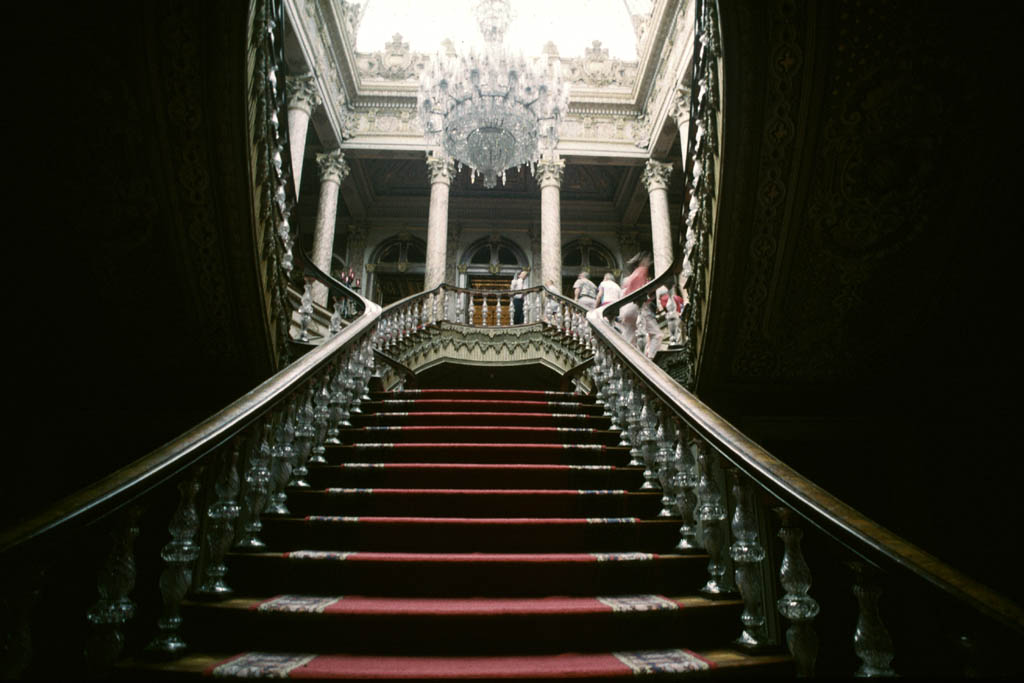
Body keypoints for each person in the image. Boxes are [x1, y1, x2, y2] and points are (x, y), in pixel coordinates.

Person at [618, 252, 652, 346]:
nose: (650, 261)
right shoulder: (642, 270)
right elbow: (642, 290)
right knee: (655, 334)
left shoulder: (632, 275)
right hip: (635, 307)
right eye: (648, 259)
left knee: (629, 339)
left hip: (625, 310)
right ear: (642, 260)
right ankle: (649, 354)